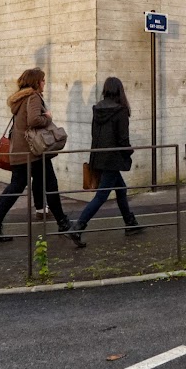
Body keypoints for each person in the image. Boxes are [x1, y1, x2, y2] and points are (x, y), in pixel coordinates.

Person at [0, 68, 73, 242]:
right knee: (51, 185)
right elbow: (34, 121)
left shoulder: (20, 99)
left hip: (20, 152)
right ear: (35, 82)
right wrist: (47, 117)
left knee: (17, 187)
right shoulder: (33, 97)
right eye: (42, 80)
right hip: (34, 152)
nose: (44, 83)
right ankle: (63, 222)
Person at [70, 76, 142, 246]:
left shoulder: (98, 109)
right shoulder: (121, 111)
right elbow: (123, 139)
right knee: (101, 195)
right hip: (113, 159)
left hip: (99, 156)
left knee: (121, 189)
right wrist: (129, 152)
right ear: (120, 90)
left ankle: (130, 223)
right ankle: (78, 227)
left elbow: (94, 135)